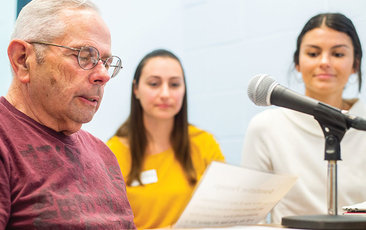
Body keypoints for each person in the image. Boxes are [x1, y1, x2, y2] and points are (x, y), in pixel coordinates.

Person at [0, 0, 136, 229]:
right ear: (23, 59)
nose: (103, 75)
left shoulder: (104, 155)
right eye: (85, 55)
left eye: (106, 62)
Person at [241, 13, 366, 224]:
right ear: (297, 63)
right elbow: (251, 219)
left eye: (337, 54)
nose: (325, 62)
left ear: (355, 64)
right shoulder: (266, 127)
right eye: (313, 53)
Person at [107, 49, 225, 229]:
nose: (165, 94)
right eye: (154, 84)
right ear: (136, 89)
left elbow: (225, 208)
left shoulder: (204, 142)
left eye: (175, 85)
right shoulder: (112, 153)